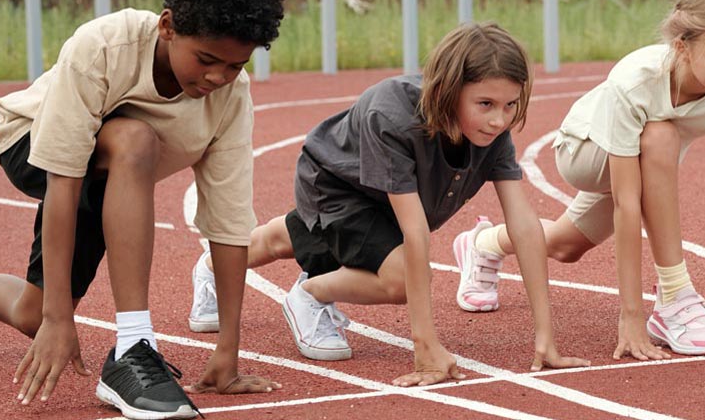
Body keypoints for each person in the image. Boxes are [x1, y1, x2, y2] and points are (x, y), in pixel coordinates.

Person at [0, 0, 286, 419]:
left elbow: (229, 223)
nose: (219, 76)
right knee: (136, 139)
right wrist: (60, 318)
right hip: (32, 144)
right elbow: (64, 180)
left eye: (236, 64)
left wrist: (228, 353)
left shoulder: (231, 98)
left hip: (112, 178)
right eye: (206, 59)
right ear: (169, 25)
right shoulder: (104, 46)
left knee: (32, 314)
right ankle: (134, 346)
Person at [189, 22, 587, 386]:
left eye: (510, 105)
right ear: (449, 90)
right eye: (485, 104)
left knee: (288, 240)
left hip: (386, 198)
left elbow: (524, 225)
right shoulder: (391, 114)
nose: (499, 120)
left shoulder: (492, 132)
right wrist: (425, 348)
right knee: (404, 278)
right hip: (336, 186)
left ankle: (209, 267)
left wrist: (545, 336)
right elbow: (415, 232)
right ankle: (311, 294)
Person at [453, 0, 705, 360]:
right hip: (585, 151)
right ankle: (674, 298)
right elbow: (627, 202)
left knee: (564, 245)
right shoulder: (637, 80)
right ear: (682, 47)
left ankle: (482, 244)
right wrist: (631, 315)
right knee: (661, 135)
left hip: (647, 165)